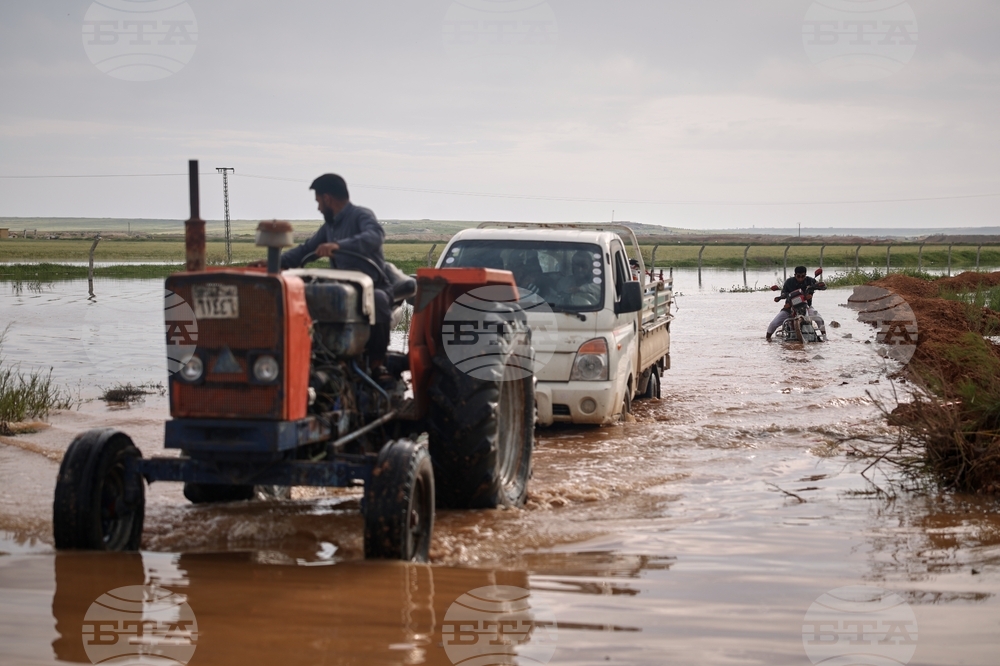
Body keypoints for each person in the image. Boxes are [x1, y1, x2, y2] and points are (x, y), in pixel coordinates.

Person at [278, 174, 393, 380]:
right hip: (344, 288)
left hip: (372, 285)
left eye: (319, 202)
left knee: (378, 299)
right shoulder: (329, 228)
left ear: (328, 198)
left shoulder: (360, 215)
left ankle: (378, 364)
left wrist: (339, 246)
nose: (319, 208)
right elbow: (306, 249)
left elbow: (375, 236)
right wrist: (275, 263)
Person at [766, 266, 826, 341]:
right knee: (773, 323)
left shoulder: (810, 281)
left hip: (807, 306)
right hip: (790, 308)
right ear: (795, 275)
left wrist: (818, 286)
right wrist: (782, 298)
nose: (800, 278)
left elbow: (823, 287)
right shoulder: (789, 282)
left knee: (819, 319)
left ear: (805, 275)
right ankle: (767, 339)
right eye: (798, 276)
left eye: (803, 276)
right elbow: (784, 293)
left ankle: (825, 337)